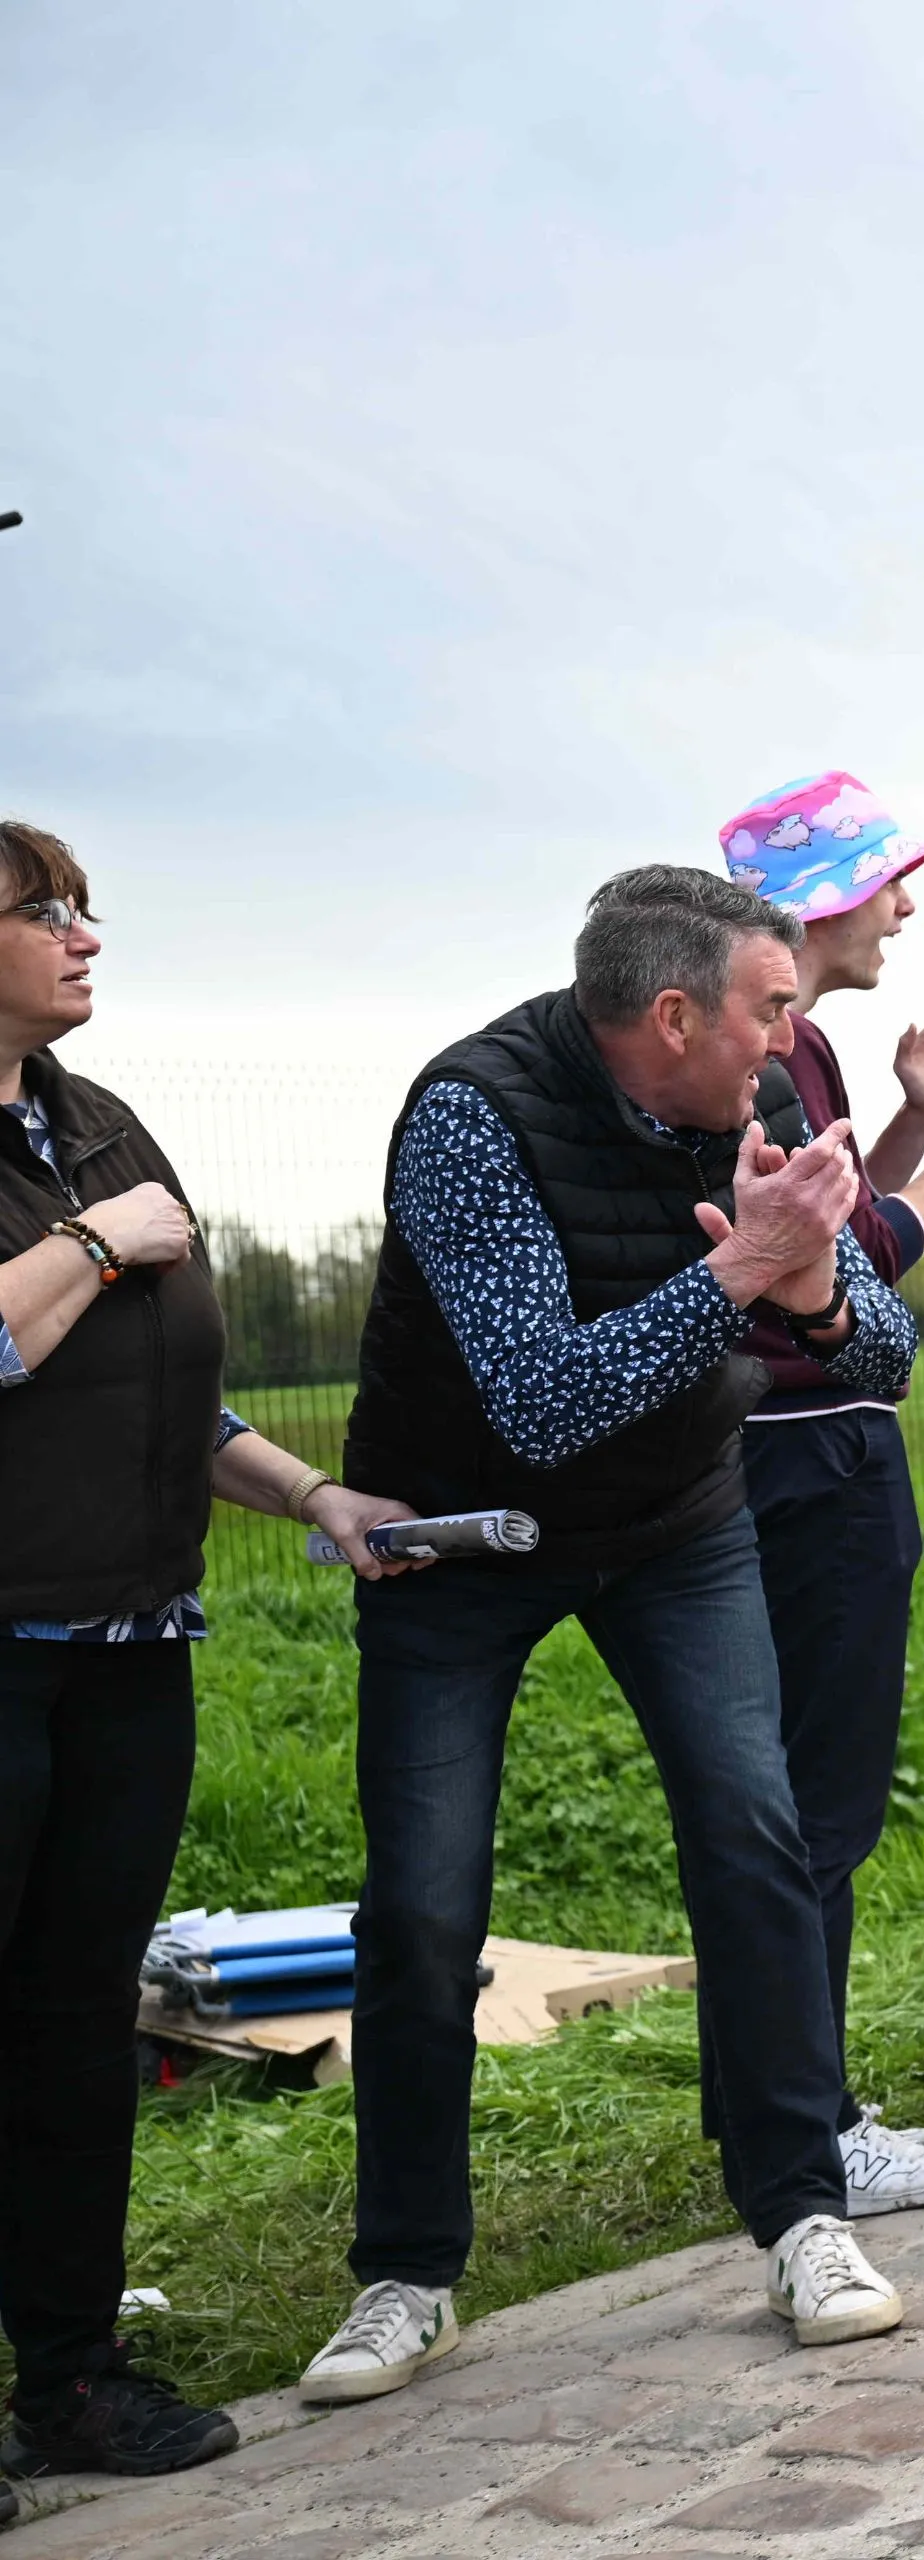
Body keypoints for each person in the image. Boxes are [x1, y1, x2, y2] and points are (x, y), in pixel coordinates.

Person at [310, 866, 918, 2402]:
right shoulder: (470, 1114)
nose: (790, 1040)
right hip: (460, 1535)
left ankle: (802, 2218)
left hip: (676, 1526)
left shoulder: (747, 1115)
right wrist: (736, 1274)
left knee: (752, 1835)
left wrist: (820, 1295)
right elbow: (542, 1395)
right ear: (673, 1015)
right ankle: (405, 2274)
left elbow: (887, 1346)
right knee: (428, 1903)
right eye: (770, 1008)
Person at [0, 824, 422, 2493]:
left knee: (68, 2017)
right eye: (43, 912)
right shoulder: (99, 1186)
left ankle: (73, 2376)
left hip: (125, 1644)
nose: (84, 935)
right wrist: (99, 1245)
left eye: (84, 907)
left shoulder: (92, 1122)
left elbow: (173, 1398)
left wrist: (314, 1495)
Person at [709, 773, 924, 2211]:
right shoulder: (775, 1060)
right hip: (811, 1454)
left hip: (798, 1447)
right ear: (827, 895)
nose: (905, 907)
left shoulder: (808, 1059)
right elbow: (849, 1278)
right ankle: (812, 2130)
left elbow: (848, 1239)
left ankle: (774, 2121)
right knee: (818, 1806)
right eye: (887, 879)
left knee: (790, 1803)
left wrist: (910, 1121)